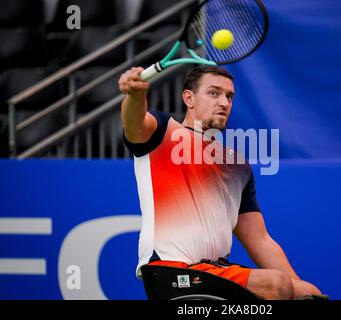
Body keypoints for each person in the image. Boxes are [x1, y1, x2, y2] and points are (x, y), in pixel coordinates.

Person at [118, 65, 322, 300]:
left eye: (229, 96)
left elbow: (260, 240)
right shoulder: (162, 132)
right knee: (275, 285)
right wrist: (135, 95)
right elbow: (134, 121)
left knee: (308, 293)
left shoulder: (237, 166)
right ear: (189, 98)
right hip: (171, 272)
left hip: (215, 273)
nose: (224, 102)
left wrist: (300, 289)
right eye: (214, 93)